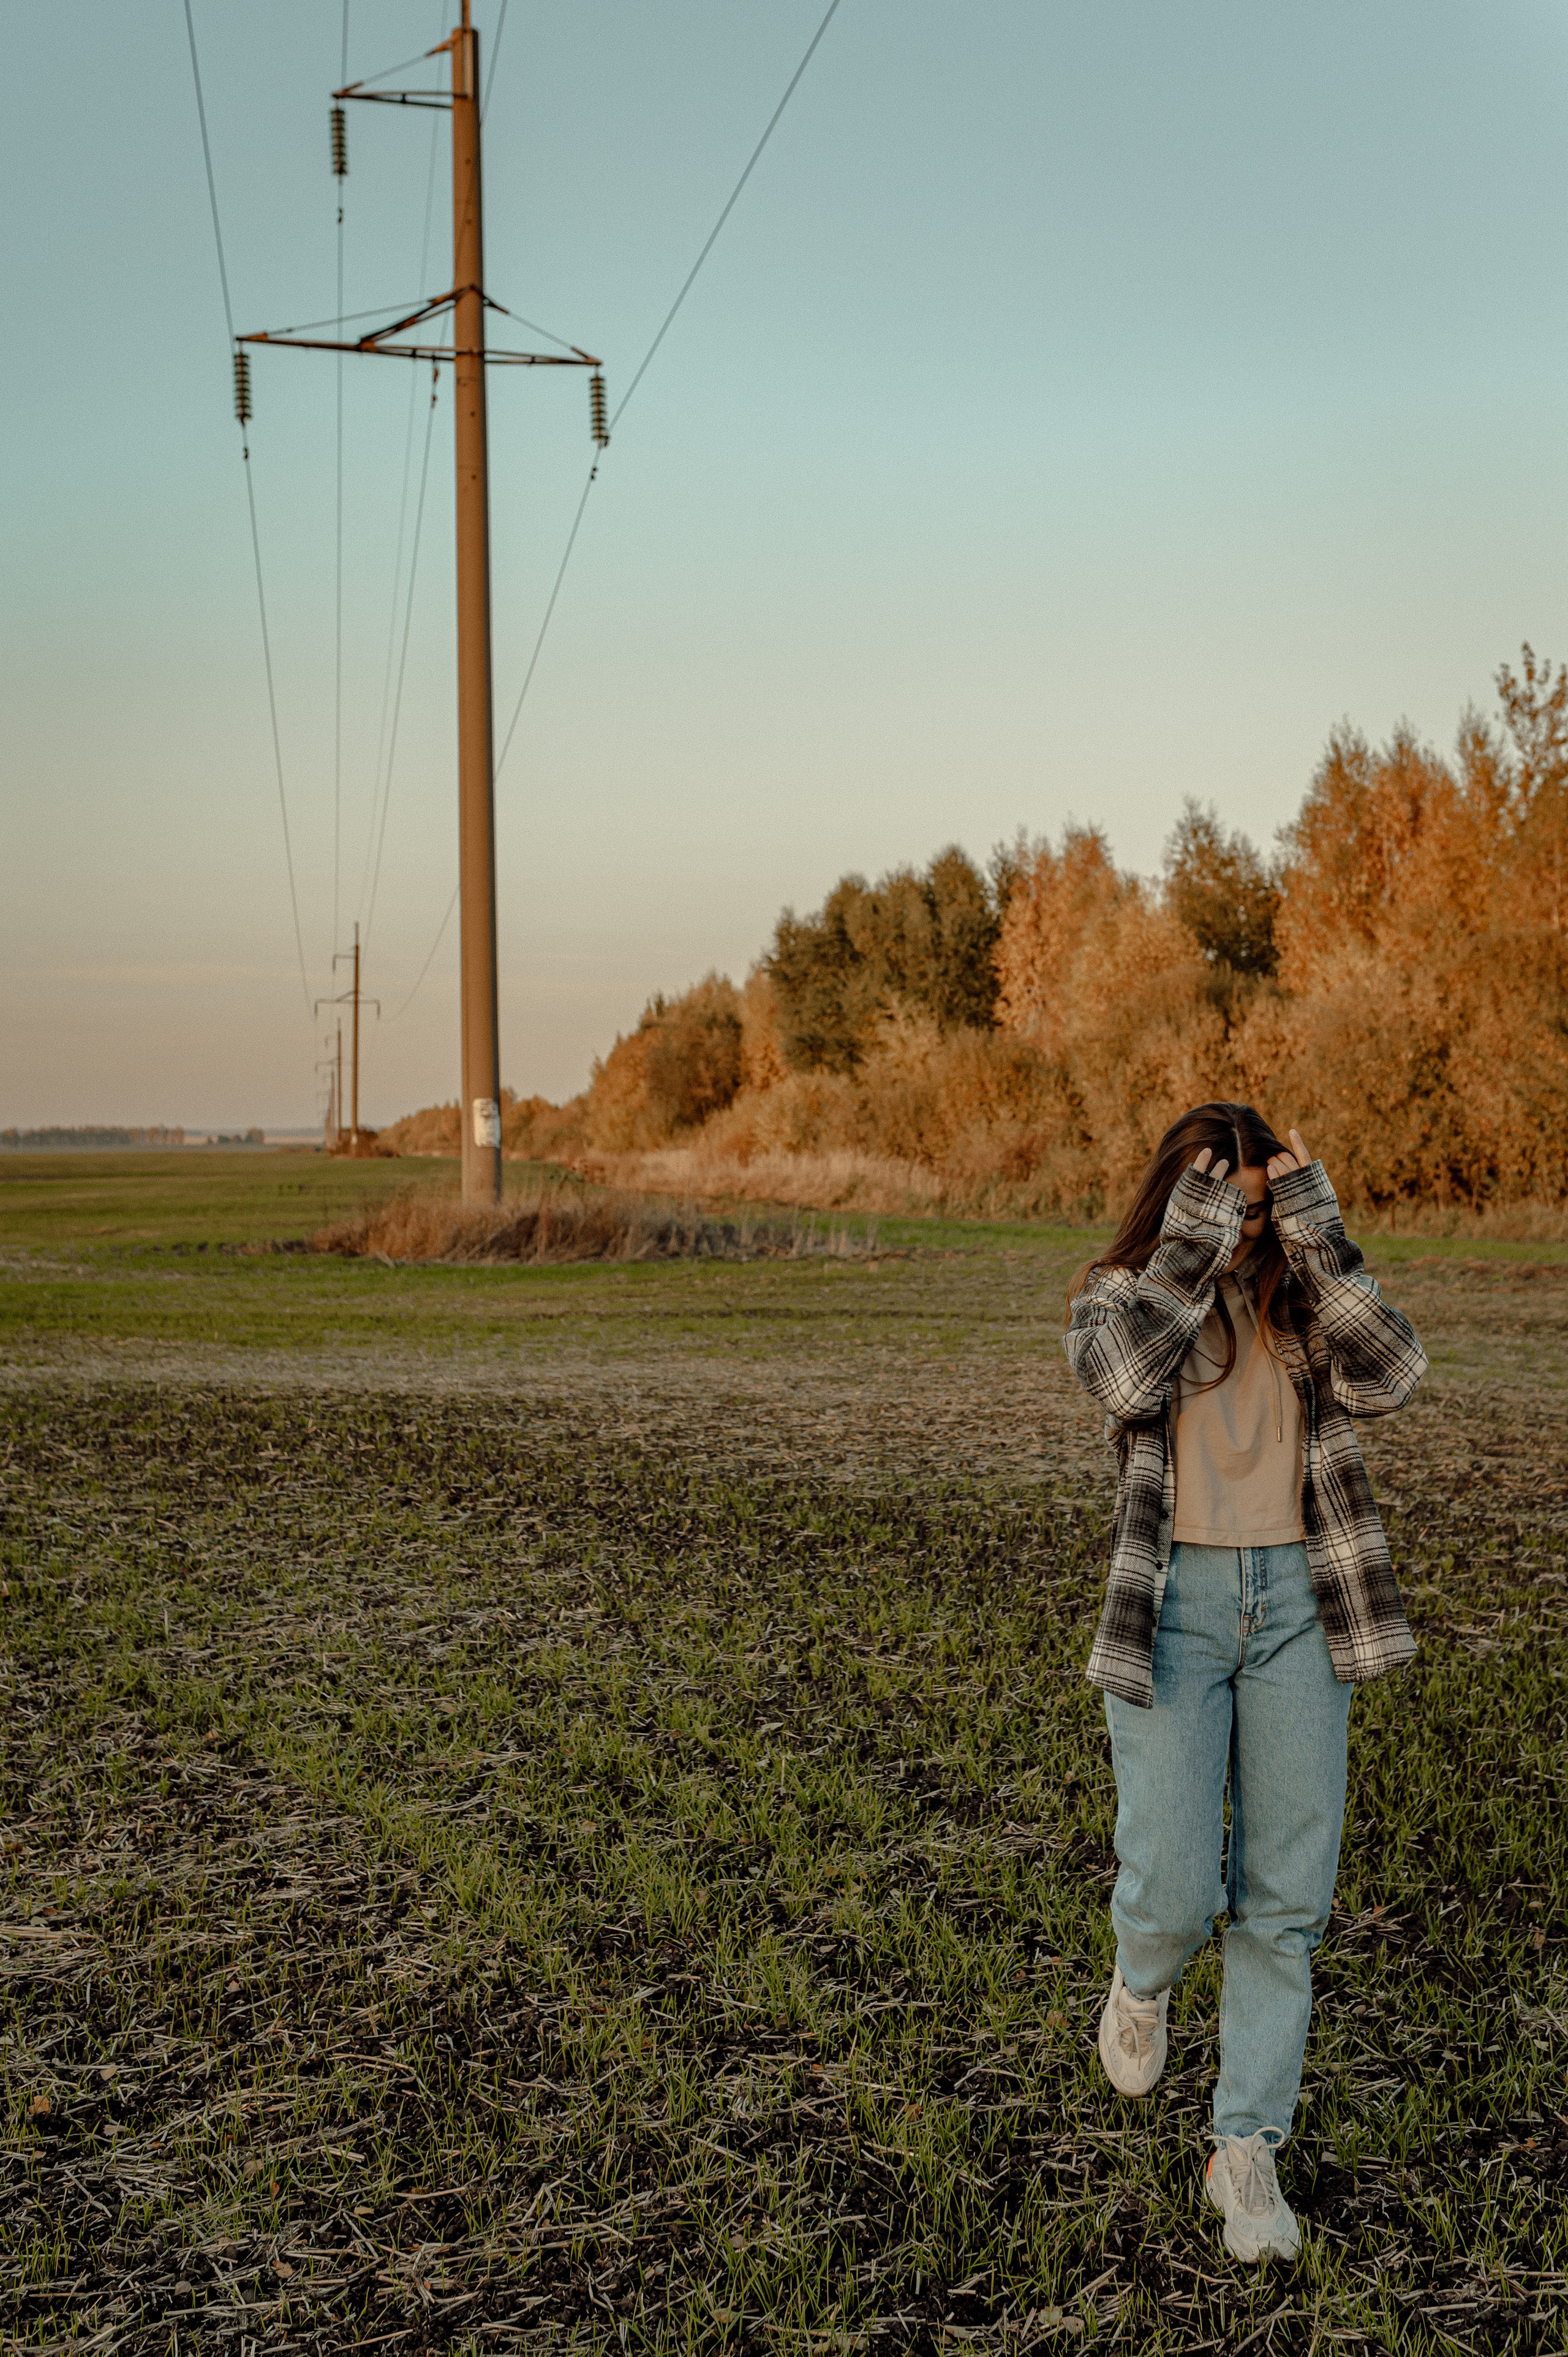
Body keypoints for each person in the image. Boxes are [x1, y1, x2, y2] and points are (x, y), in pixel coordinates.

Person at [1061, 1102, 1425, 2263]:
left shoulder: (1301, 1291)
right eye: (1227, 1206)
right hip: (1173, 1609)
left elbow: (1397, 1370)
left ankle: (1245, 2145)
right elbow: (1121, 1381)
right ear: (1177, 1200)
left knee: (1286, 1897)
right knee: (1171, 1883)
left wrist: (1316, 1234)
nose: (1245, 1232)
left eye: (1260, 1209)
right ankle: (1140, 1976)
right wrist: (1188, 1244)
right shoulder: (1122, 1298)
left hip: (1302, 1609)